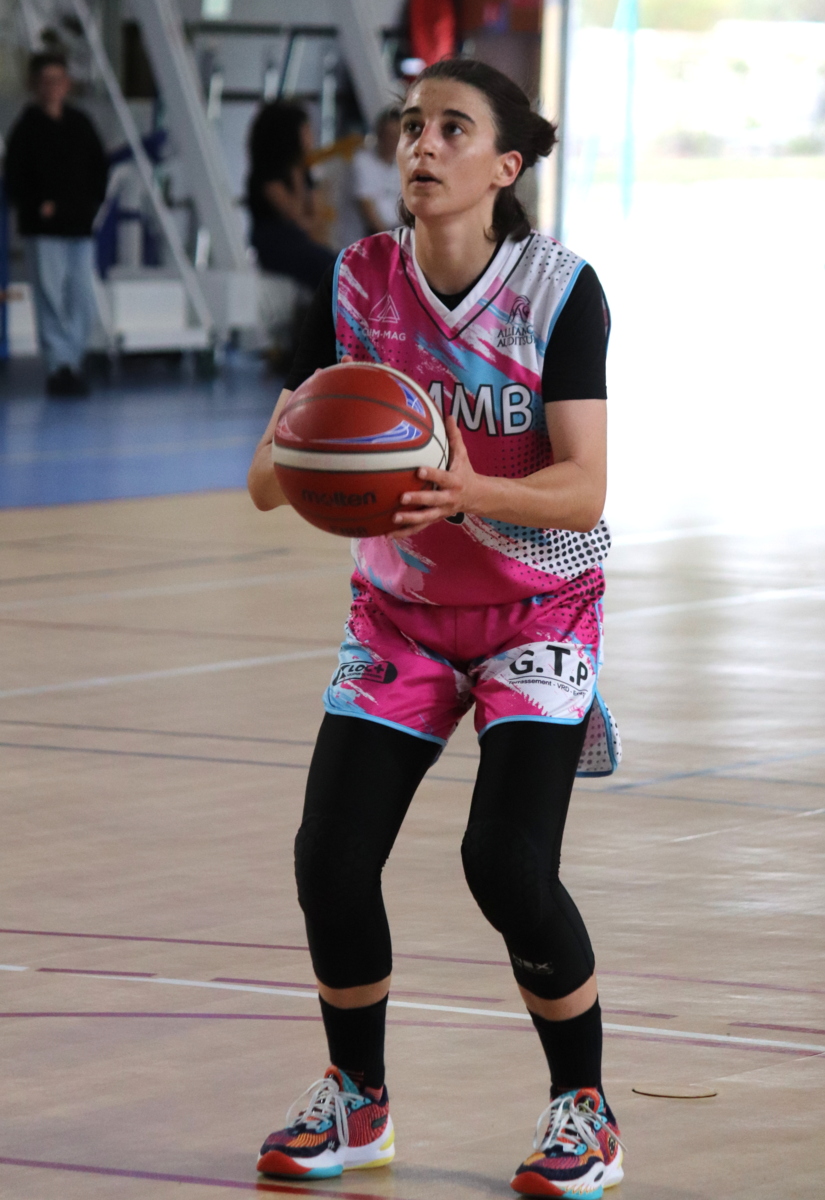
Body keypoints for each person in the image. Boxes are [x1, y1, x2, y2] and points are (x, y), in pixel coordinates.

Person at [247, 57, 624, 1200]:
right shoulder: (362, 280)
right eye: (414, 125)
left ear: (505, 165)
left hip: (535, 605)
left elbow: (585, 491)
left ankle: (585, 1108)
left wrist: (469, 490)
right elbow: (268, 479)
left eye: (453, 128)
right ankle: (357, 1098)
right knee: (328, 858)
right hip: (402, 614)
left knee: (503, 861)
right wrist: (301, 460)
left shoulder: (560, 293)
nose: (423, 143)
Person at [4, 52, 108, 397]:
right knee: (50, 298)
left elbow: (98, 168)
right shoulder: (26, 129)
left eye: (58, 80)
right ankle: (58, 365)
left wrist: (90, 205)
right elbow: (16, 178)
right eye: (46, 81)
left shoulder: (80, 124)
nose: (53, 87)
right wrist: (38, 206)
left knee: (81, 298)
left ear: (67, 84)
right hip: (44, 230)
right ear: (35, 85)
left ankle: (73, 360)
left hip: (78, 226)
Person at [247, 99, 336, 291]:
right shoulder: (269, 174)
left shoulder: (305, 172)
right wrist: (297, 177)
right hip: (276, 242)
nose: (311, 137)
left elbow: (317, 219)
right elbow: (294, 215)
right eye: (306, 131)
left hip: (301, 240)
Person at [352, 107, 402, 234]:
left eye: (397, 136)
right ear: (379, 134)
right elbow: (365, 205)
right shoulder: (362, 161)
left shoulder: (403, 163)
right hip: (371, 234)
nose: (393, 141)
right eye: (389, 135)